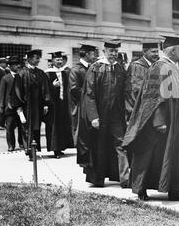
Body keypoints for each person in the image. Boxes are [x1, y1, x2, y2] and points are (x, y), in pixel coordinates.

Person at [122, 36, 179, 202]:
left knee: (172, 155)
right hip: (163, 122)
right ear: (172, 50)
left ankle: (175, 190)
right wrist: (159, 121)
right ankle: (141, 189)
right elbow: (153, 97)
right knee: (150, 154)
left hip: (174, 119)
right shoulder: (160, 67)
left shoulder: (170, 66)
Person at [77, 40, 130, 188]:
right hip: (100, 115)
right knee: (99, 146)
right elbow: (89, 94)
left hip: (116, 116)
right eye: (111, 51)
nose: (113, 54)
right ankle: (98, 178)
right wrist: (93, 116)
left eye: (116, 52)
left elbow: (125, 91)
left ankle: (125, 179)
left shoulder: (120, 68)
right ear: (104, 51)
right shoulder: (95, 68)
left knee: (121, 145)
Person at [11, 49, 51, 161]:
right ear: (29, 59)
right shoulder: (21, 73)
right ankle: (29, 150)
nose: (38, 60)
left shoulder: (41, 73)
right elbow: (17, 91)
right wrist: (19, 108)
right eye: (36, 58)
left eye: (39, 58)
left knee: (36, 128)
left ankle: (35, 149)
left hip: (37, 106)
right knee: (26, 129)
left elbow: (45, 89)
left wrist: (46, 104)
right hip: (26, 107)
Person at [45, 52, 74, 158]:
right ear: (52, 61)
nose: (59, 62)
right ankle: (55, 150)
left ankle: (61, 147)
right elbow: (44, 90)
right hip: (53, 104)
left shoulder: (64, 72)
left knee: (62, 125)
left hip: (63, 103)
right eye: (57, 60)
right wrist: (52, 86)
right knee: (54, 127)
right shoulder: (47, 73)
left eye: (61, 60)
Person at [69, 43, 98, 147]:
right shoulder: (76, 69)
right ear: (86, 54)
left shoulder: (92, 68)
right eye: (92, 54)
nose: (94, 56)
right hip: (80, 106)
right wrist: (90, 93)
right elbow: (74, 89)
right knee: (82, 132)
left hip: (91, 105)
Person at [124, 42, 160, 121]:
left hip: (153, 109)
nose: (156, 54)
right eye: (153, 52)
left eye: (157, 51)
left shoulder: (157, 66)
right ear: (144, 52)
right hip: (140, 110)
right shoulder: (136, 66)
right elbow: (134, 89)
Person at [0, 56, 24, 152]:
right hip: (9, 107)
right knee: (9, 127)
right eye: (15, 64)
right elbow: (1, 92)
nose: (18, 66)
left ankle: (21, 143)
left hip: (20, 107)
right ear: (10, 66)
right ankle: (11, 145)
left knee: (22, 126)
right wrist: (1, 105)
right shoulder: (6, 78)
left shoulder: (21, 77)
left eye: (18, 64)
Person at [0, 57, 8, 129]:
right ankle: (0, 123)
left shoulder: (5, 71)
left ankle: (2, 123)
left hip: (4, 90)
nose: (6, 64)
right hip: (0, 91)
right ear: (1, 63)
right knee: (1, 107)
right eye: (4, 63)